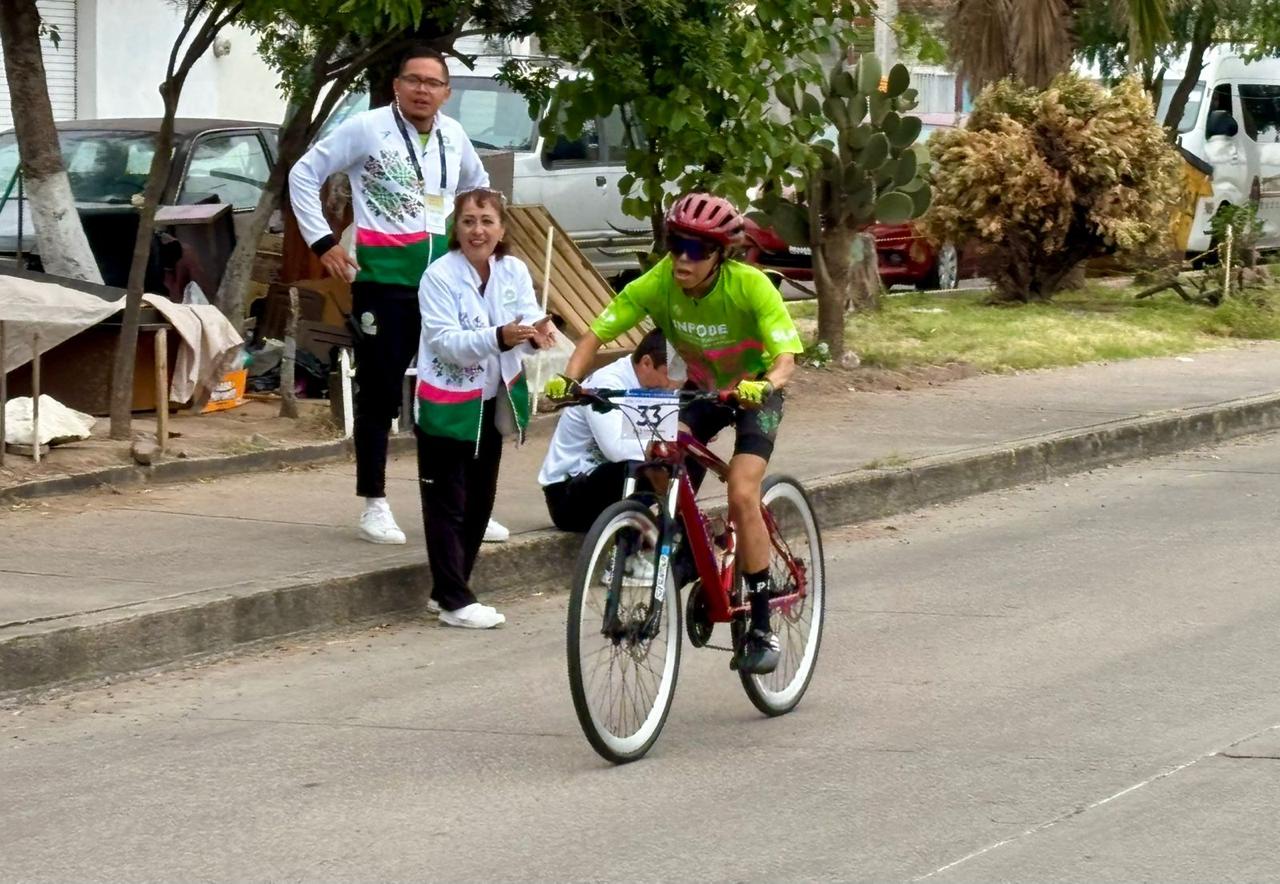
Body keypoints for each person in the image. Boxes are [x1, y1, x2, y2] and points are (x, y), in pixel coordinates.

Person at [545, 193, 804, 674]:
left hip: (753, 392)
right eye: (676, 244)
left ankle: (761, 625)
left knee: (742, 492)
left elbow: (786, 359)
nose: (683, 258)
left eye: (698, 249)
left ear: (720, 254)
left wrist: (765, 384)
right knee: (660, 456)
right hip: (702, 390)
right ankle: (686, 542)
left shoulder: (749, 285)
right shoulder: (658, 281)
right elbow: (596, 335)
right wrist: (570, 380)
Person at [289, 44, 509, 547]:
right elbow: (303, 173)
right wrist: (323, 242)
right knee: (381, 393)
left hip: (448, 285)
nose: (422, 90)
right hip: (386, 283)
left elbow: (480, 190)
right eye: (414, 80)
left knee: (460, 389)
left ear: (446, 93)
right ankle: (375, 503)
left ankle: (467, 504)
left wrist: (479, 249)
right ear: (396, 85)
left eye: (433, 83)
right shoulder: (367, 129)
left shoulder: (454, 136)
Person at [415, 188, 555, 628]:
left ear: (502, 228)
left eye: (487, 221)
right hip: (448, 403)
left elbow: (526, 317)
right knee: (446, 503)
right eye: (469, 221)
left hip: (492, 401)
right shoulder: (438, 276)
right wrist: (499, 336)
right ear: (456, 229)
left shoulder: (513, 270)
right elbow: (445, 342)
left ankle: (447, 590)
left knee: (479, 501)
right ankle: (456, 601)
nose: (478, 230)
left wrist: (535, 334)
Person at [538, 328, 674, 532]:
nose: (672, 383)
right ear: (646, 362)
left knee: (684, 458)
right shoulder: (607, 383)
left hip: (608, 481)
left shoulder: (656, 385)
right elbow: (616, 449)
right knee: (646, 462)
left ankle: (674, 528)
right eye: (668, 374)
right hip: (569, 495)